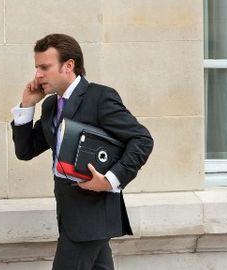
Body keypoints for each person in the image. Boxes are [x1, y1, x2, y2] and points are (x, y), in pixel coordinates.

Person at [10, 33, 154, 270]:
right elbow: (25, 151)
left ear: (68, 65)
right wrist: (27, 106)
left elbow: (142, 139)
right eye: (37, 67)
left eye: (45, 67)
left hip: (91, 216)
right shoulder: (49, 105)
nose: (38, 74)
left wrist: (109, 180)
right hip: (72, 216)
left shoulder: (99, 97)